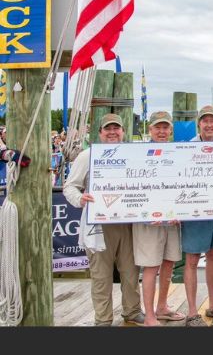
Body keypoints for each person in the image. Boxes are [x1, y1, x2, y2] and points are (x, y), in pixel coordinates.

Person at [62, 113, 144, 326]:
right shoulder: (87, 155)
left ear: (123, 132)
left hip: (128, 223)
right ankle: (103, 318)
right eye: (108, 129)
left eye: (116, 128)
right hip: (98, 224)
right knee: (101, 275)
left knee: (131, 272)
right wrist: (81, 199)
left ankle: (133, 310)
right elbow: (70, 186)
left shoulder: (133, 155)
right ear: (99, 133)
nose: (112, 132)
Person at [132, 111, 185, 326]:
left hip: (172, 221)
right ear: (150, 129)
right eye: (158, 127)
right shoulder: (137, 154)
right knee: (151, 268)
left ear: (170, 130)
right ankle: (150, 316)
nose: (162, 131)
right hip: (148, 223)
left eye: (165, 128)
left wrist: (182, 210)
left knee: (169, 263)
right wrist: (144, 213)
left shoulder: (178, 152)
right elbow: (132, 188)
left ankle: (162, 307)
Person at [182, 105, 213, 326]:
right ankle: (192, 311)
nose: (209, 124)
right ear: (199, 124)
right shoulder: (186, 148)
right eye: (205, 121)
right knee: (191, 260)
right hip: (194, 211)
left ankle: (212, 305)